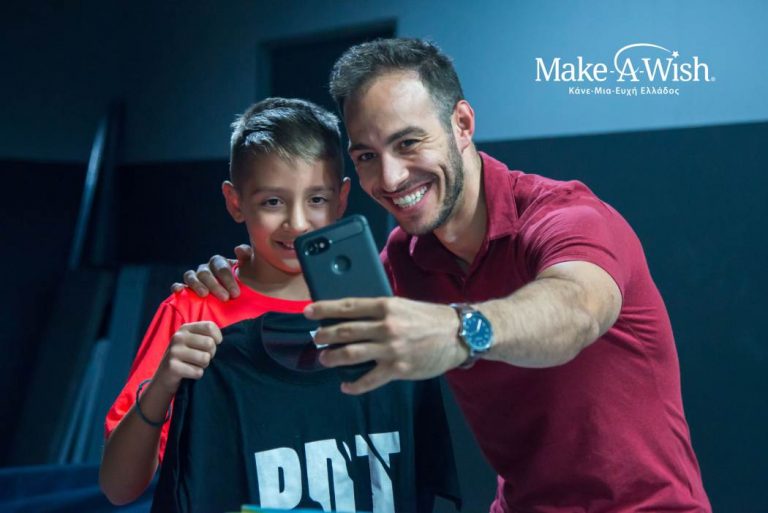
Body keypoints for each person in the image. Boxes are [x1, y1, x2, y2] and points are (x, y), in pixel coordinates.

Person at [180, 38, 711, 512]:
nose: (390, 178)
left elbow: (577, 310)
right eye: (366, 156)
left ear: (462, 124)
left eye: (408, 143)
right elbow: (311, 309)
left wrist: (459, 330)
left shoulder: (569, 218)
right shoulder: (403, 259)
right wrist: (235, 276)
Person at [100, 97, 459, 512]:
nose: (297, 223)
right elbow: (118, 488)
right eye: (272, 202)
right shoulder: (195, 313)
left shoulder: (384, 302)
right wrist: (162, 385)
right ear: (236, 202)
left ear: (342, 198)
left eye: (316, 199)